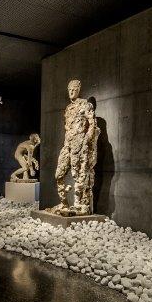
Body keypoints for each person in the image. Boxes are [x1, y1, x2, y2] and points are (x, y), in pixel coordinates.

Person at [48, 80, 99, 216]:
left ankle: (79, 205)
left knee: (79, 175)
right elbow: (67, 127)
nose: (71, 92)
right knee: (59, 174)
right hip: (68, 144)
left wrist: (86, 140)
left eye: (74, 89)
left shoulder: (85, 104)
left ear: (78, 90)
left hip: (79, 143)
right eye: (69, 89)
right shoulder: (68, 108)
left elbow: (92, 124)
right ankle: (64, 203)